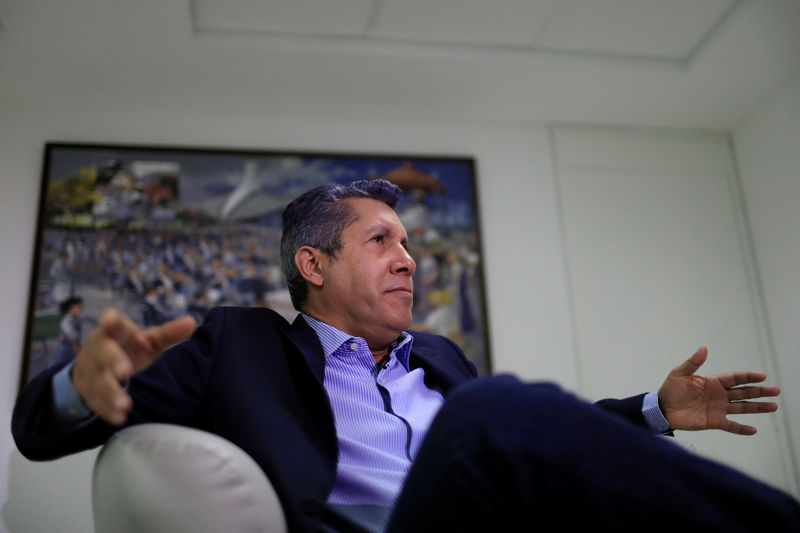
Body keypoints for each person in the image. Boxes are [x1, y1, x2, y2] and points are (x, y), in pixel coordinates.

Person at [12, 180, 799, 532]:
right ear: (313, 266)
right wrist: (81, 384)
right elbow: (39, 432)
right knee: (498, 410)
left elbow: (521, 450)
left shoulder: (440, 352)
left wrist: (655, 412)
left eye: (410, 242)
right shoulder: (238, 342)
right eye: (381, 240)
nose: (409, 258)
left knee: (505, 419)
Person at [51, 296, 83, 368]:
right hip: (65, 350)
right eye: (79, 307)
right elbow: (73, 337)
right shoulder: (67, 321)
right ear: (72, 307)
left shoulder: (75, 319)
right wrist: (80, 350)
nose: (81, 309)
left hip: (71, 349)